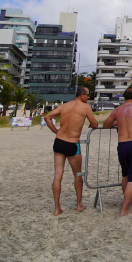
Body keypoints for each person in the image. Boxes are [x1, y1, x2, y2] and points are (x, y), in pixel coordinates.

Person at [44, 87, 98, 215]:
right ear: (81, 95)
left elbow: (47, 117)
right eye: (88, 95)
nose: (88, 97)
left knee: (58, 175)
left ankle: (57, 208)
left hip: (59, 141)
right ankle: (79, 204)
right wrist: (90, 125)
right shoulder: (85, 108)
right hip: (72, 143)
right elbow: (95, 124)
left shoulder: (65, 106)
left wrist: (56, 131)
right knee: (77, 174)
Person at [103, 87, 132, 217]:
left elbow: (106, 125)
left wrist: (117, 124)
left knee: (126, 175)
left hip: (122, 144)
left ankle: (126, 201)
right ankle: (124, 209)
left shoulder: (117, 110)